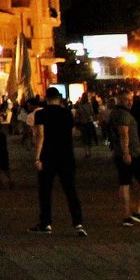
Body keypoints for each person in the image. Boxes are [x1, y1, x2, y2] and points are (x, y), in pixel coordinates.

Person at [29, 86, 86, 235]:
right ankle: (78, 222)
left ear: (46, 99)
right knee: (70, 189)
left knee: (45, 190)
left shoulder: (41, 114)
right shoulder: (67, 113)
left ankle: (46, 223)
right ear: (59, 98)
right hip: (66, 155)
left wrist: (37, 157)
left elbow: (41, 136)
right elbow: (72, 132)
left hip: (48, 155)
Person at [105, 86, 140, 226]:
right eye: (126, 99)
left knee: (125, 183)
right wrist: (126, 152)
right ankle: (138, 211)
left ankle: (127, 215)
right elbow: (124, 134)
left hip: (121, 153)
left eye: (130, 99)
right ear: (120, 100)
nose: (129, 102)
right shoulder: (124, 115)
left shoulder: (114, 113)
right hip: (133, 152)